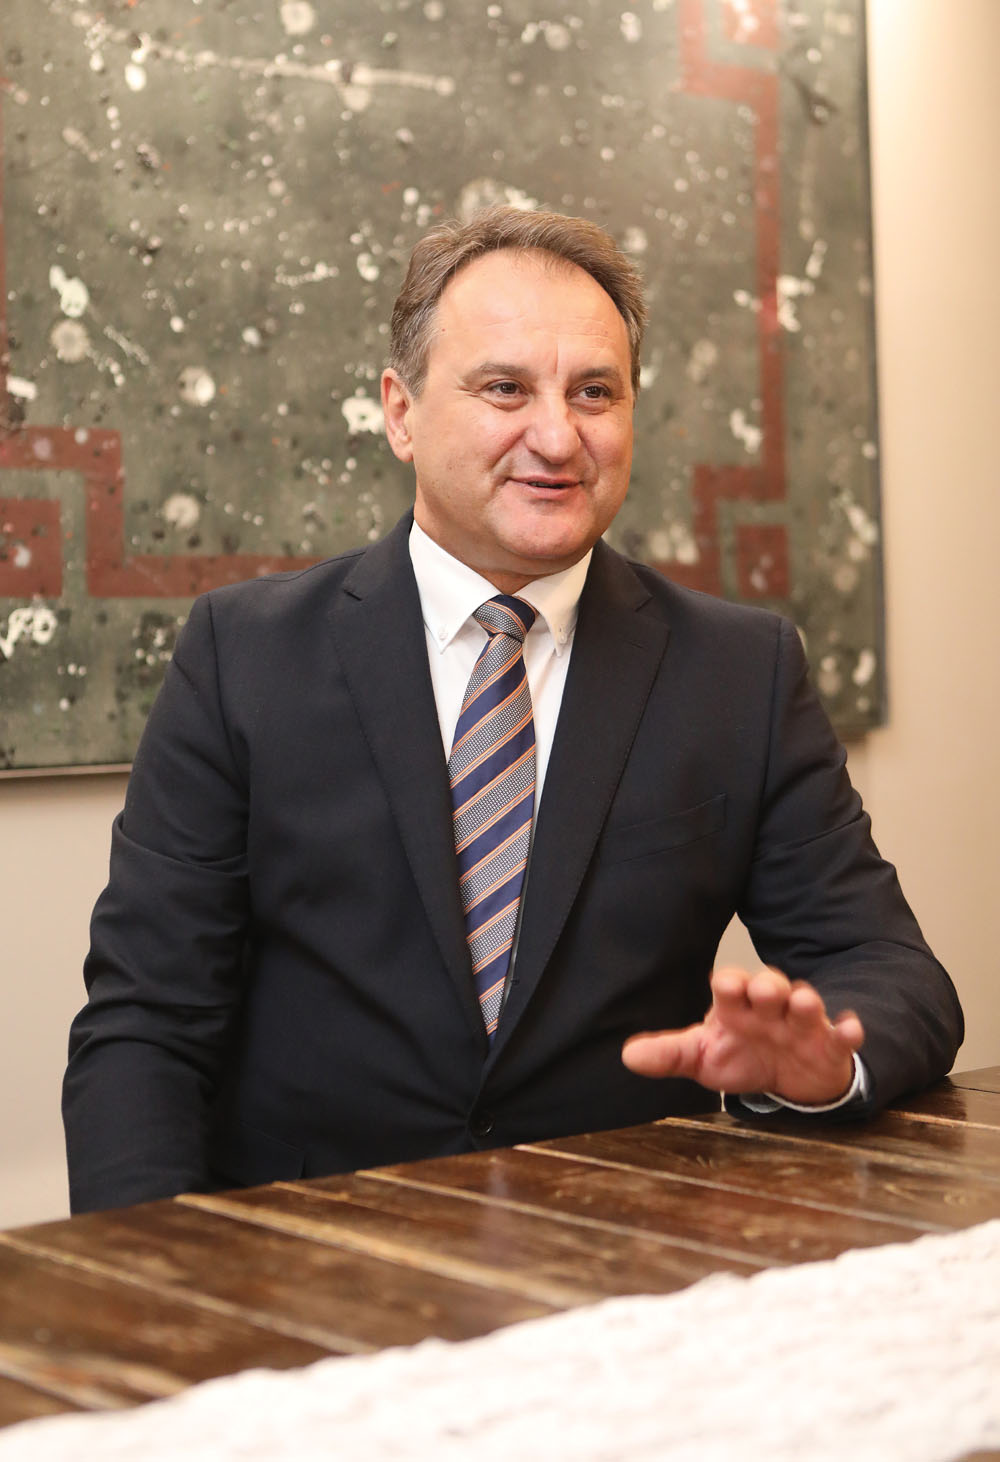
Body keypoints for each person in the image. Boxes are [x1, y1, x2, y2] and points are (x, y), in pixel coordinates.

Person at [63, 208, 963, 1214]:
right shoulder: (243, 655)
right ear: (400, 412)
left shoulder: (740, 671)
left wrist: (825, 1064)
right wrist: (148, 1273)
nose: (557, 437)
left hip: (626, 1246)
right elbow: (146, 1024)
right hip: (311, 1251)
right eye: (504, 389)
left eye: (594, 393)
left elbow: (888, 969)